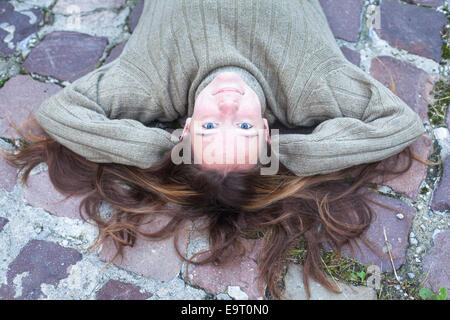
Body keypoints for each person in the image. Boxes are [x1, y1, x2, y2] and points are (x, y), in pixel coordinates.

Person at [0, 0, 439, 299]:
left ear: (185, 129)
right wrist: (294, 152)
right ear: (268, 131)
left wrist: (159, 147)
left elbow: (61, 111)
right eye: (244, 125)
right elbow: (399, 123)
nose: (228, 102)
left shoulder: (152, 79)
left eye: (210, 125)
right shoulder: (307, 85)